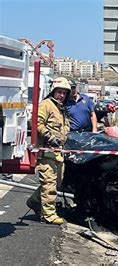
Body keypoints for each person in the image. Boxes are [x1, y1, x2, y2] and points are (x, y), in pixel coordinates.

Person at [26, 77, 71, 225]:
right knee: (49, 185)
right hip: (46, 153)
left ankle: (35, 201)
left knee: (55, 184)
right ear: (53, 91)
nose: (62, 95)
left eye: (64, 93)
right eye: (59, 92)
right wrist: (49, 137)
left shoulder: (61, 108)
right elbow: (36, 123)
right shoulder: (46, 105)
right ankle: (49, 215)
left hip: (58, 154)